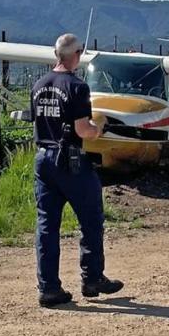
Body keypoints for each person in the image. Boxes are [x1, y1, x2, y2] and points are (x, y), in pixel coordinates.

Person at [31, 33, 124, 307]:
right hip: (71, 161)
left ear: (56, 54)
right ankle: (92, 278)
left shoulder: (39, 84)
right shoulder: (78, 87)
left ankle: (48, 288)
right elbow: (83, 130)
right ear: (77, 55)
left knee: (47, 225)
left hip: (43, 159)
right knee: (91, 219)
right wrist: (100, 128)